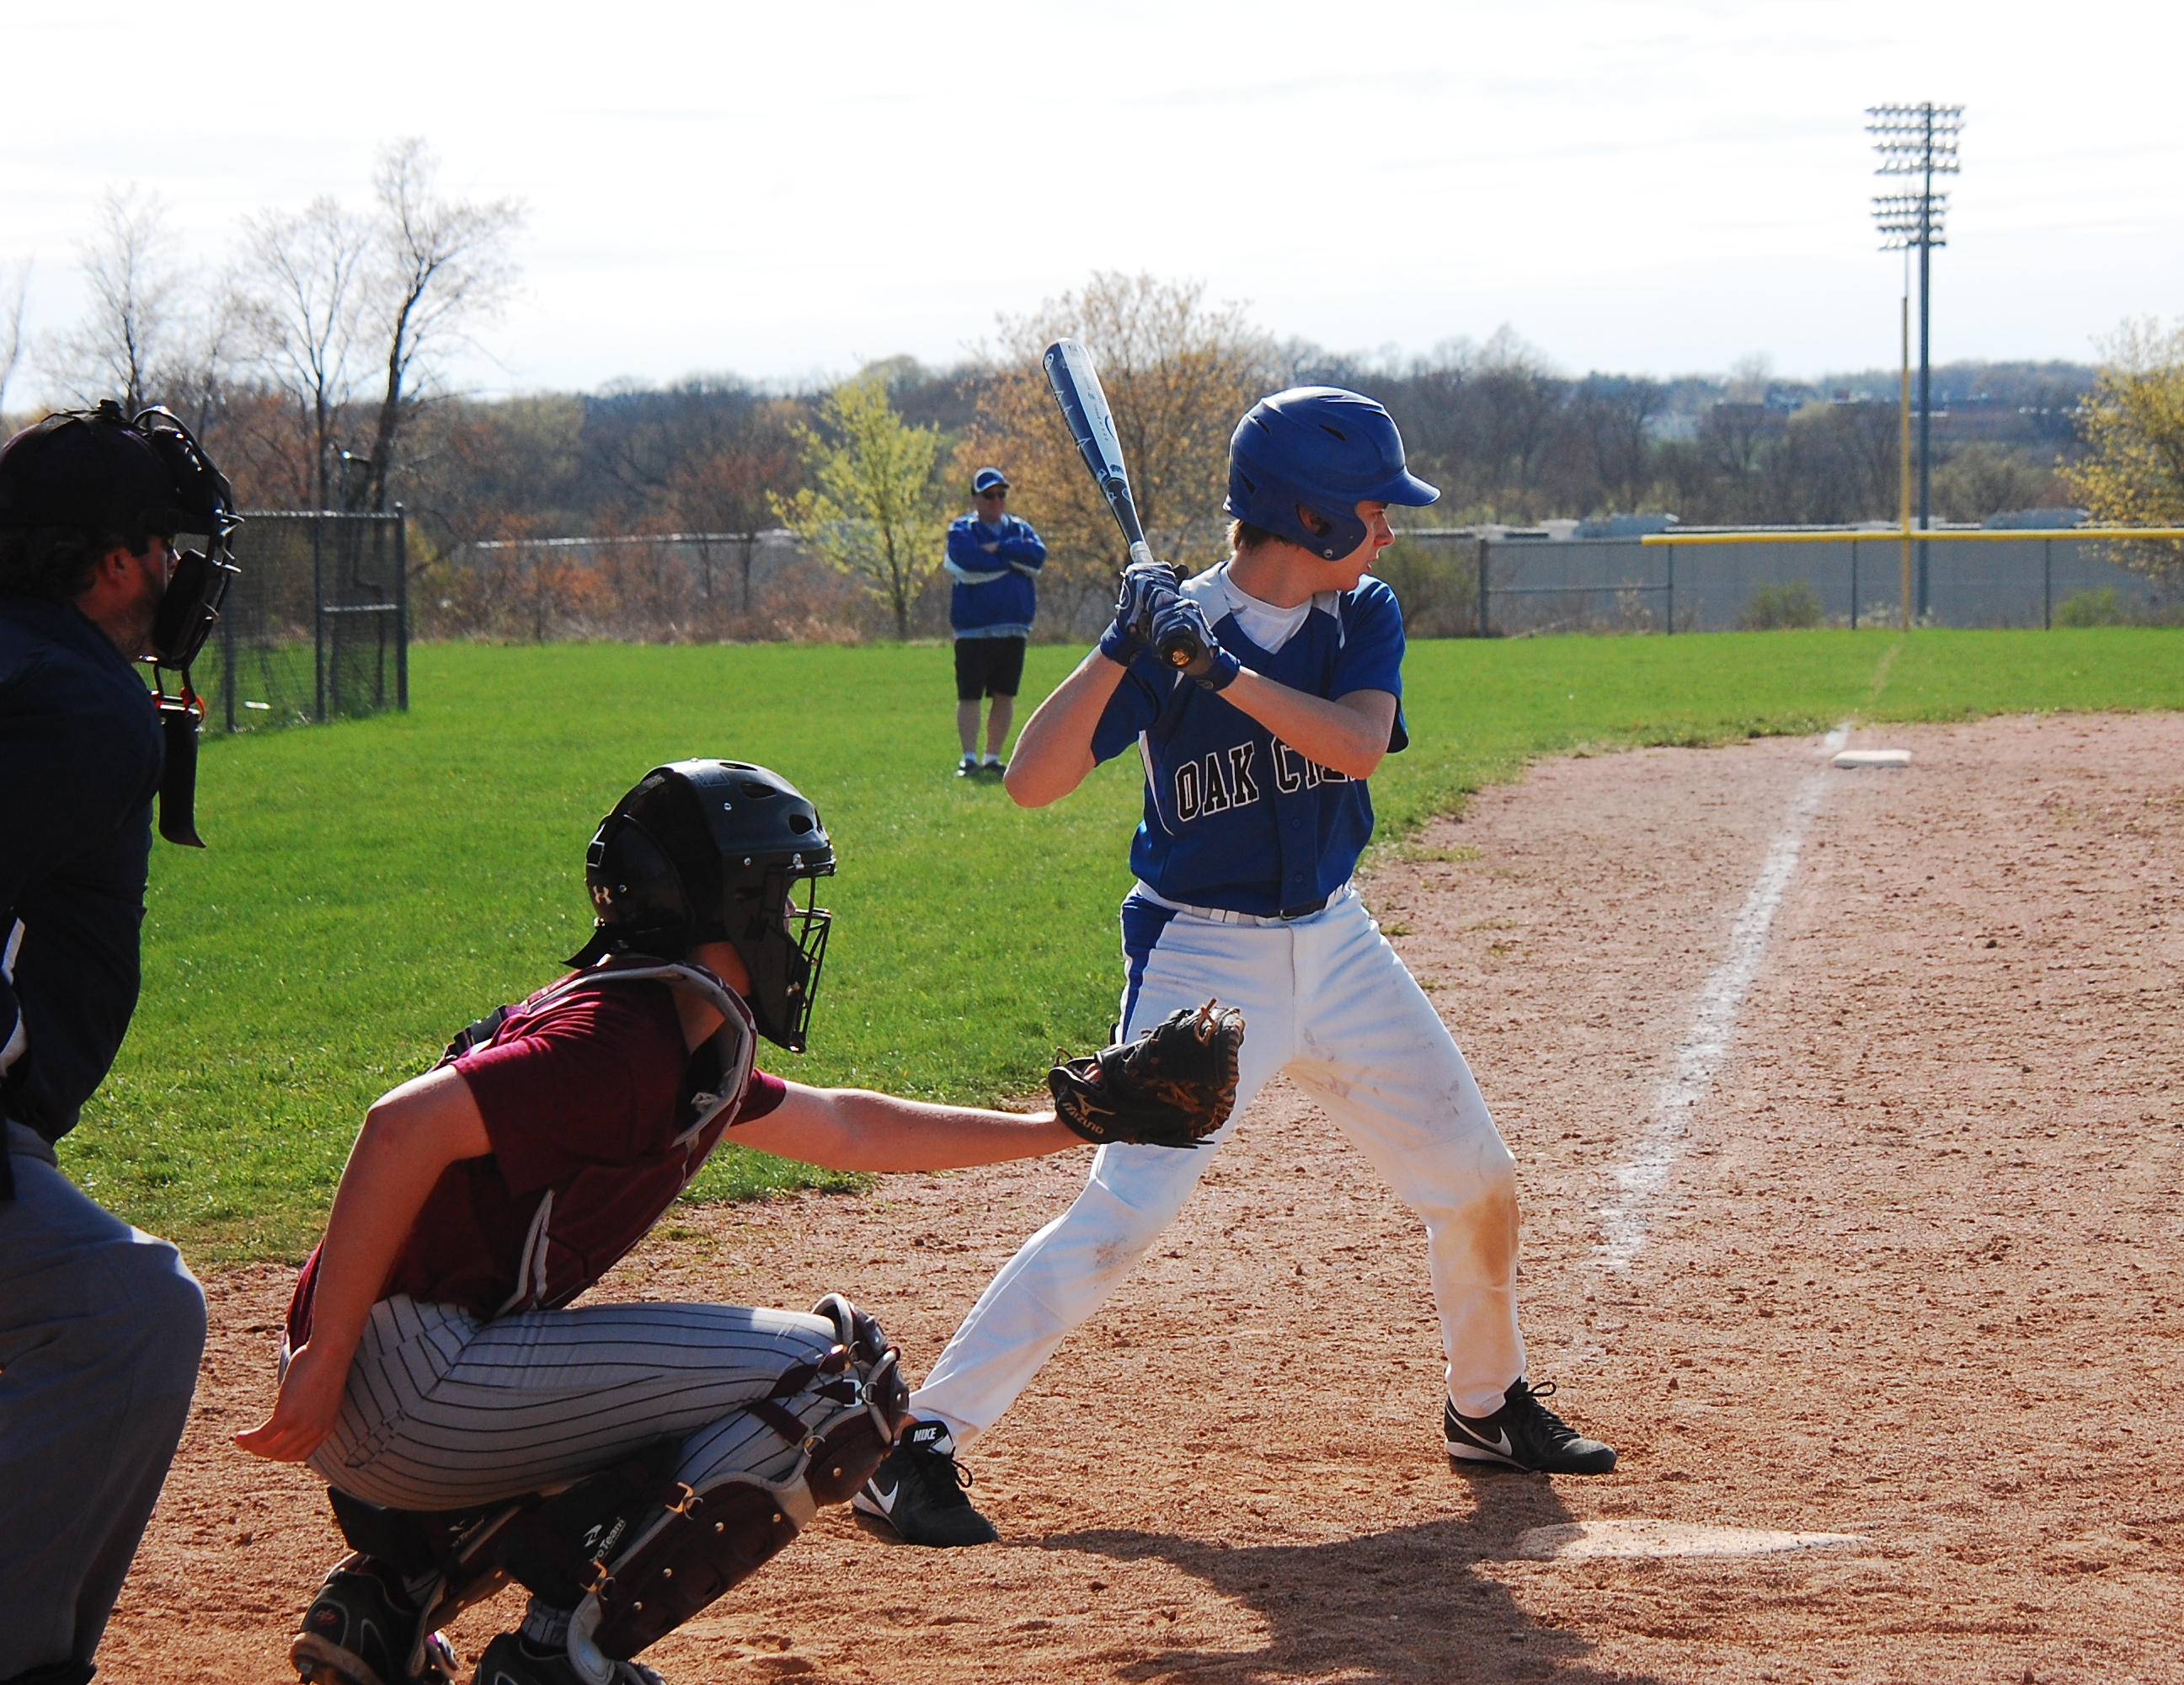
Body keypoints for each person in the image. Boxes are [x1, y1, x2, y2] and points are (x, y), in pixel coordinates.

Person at [852, 388, 1615, 1552]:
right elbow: (1031, 781)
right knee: (1123, 1212)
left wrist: (1216, 673)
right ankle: (915, 1443)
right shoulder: (1171, 629)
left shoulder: (1358, 614)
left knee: (1474, 1180)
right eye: (1373, 511)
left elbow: (1356, 743)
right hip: (1202, 959)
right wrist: (1122, 648)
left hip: (1339, 944)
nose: (1387, 531)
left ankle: (1485, 1403)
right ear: (1310, 517)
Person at [238, 761, 1101, 1685]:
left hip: (407, 1373)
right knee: (836, 1376)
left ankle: (395, 1597)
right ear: (725, 901)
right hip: (404, 1380)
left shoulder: (662, 1017)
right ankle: (557, 1657)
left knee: (679, 1397)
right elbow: (401, 1125)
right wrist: (328, 1354)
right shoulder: (620, 1043)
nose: (790, 920)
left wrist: (1060, 1127)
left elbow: (848, 1127)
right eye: (778, 894)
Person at [0, 402, 239, 1685]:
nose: (177, 572)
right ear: (110, 564)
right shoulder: (80, 704)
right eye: (163, 546)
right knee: (127, 1313)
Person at [942, 467, 1045, 780]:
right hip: (973, 629)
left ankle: (992, 758)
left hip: (1013, 627)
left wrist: (1000, 548)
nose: (996, 500)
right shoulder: (962, 530)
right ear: (975, 498)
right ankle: (968, 758)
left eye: (1001, 494)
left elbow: (1036, 556)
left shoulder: (1019, 528)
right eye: (989, 495)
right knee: (970, 695)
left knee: (1005, 694)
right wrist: (1013, 561)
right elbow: (967, 562)